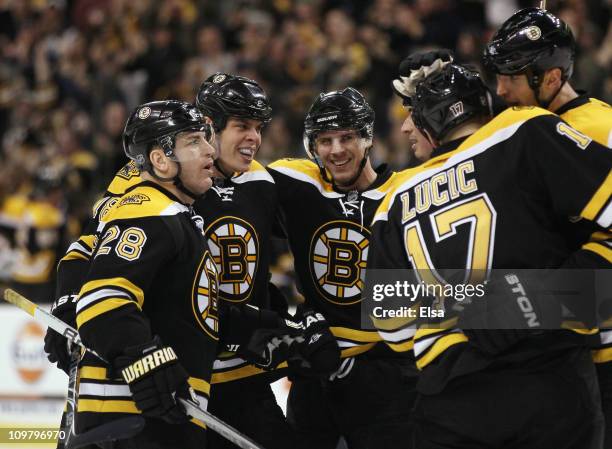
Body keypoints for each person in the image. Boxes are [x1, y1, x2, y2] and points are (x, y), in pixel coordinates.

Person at [368, 62, 610, 448]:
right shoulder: (526, 128)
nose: (403, 129)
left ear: (432, 120)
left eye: (411, 115)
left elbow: (391, 324)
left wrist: (459, 305)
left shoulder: (395, 200)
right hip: (546, 373)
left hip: (449, 404)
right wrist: (548, 296)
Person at [483, 7, 612, 443]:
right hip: (554, 352)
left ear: (552, 77)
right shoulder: (516, 130)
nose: (501, 89)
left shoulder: (603, 127)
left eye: (512, 76)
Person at [267, 87, 417, 449]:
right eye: (325, 140)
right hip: (314, 367)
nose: (336, 150)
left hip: (387, 372)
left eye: (347, 137)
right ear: (312, 146)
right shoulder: (298, 183)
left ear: (367, 138)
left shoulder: (405, 193)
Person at [74, 100, 219, 448]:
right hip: (133, 420)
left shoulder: (177, 216)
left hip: (158, 416)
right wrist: (146, 359)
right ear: (160, 160)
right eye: (194, 141)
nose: (210, 150)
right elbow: (101, 302)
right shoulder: (149, 211)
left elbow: (181, 313)